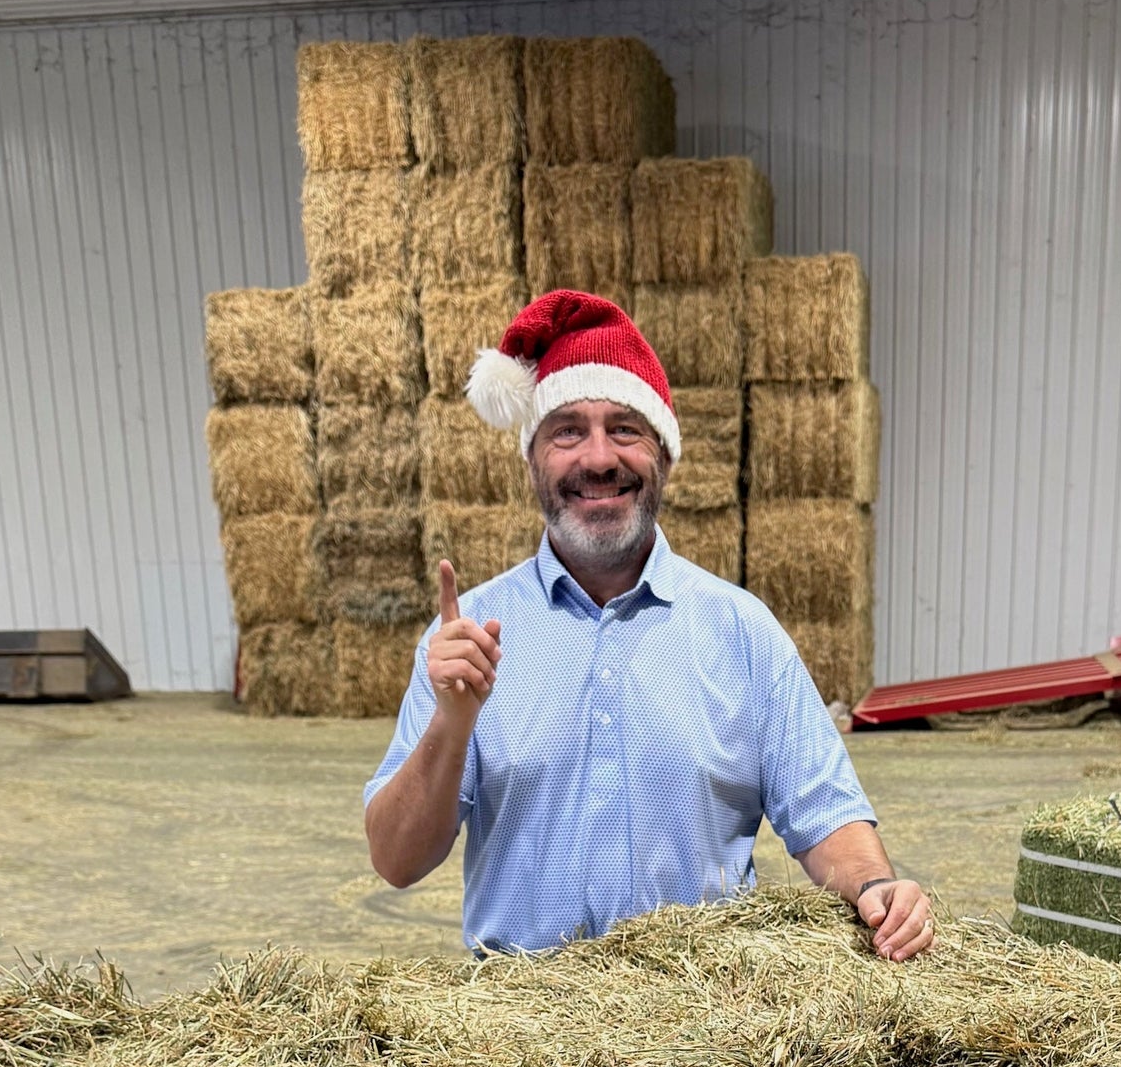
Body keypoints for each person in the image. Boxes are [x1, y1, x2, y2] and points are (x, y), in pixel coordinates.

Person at [364, 289, 934, 961]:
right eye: (567, 430)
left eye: (625, 429)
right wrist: (450, 726)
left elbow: (827, 816)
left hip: (704, 1028)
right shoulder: (469, 642)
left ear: (663, 454)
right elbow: (396, 858)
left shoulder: (740, 631)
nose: (599, 458)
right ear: (531, 463)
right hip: (516, 1035)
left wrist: (878, 887)